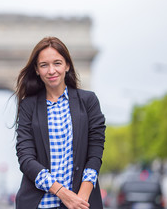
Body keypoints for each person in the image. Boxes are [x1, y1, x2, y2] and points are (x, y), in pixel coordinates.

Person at [14, 37, 106, 209]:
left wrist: (80, 200)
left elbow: (95, 153)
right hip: (40, 204)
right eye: (44, 65)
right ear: (36, 69)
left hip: (80, 202)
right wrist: (62, 193)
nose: (51, 70)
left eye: (57, 63)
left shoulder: (89, 101)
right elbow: (26, 158)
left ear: (67, 65)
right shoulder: (28, 106)